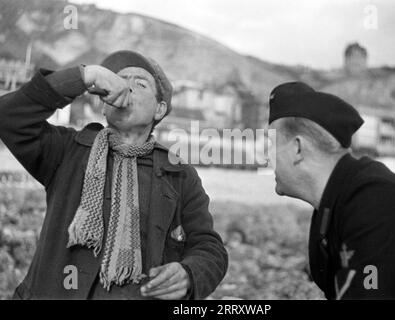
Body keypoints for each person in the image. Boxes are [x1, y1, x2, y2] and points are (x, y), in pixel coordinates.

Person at [0, 50, 228, 299]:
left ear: (159, 109)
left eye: (139, 83)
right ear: (104, 105)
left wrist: (189, 273)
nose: (125, 87)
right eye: (119, 79)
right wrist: (84, 76)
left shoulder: (179, 174)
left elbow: (209, 247)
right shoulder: (68, 150)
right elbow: (9, 117)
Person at [267, 81, 395, 299]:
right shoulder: (336, 204)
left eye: (271, 146)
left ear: (297, 148)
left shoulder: (375, 203)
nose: (267, 157)